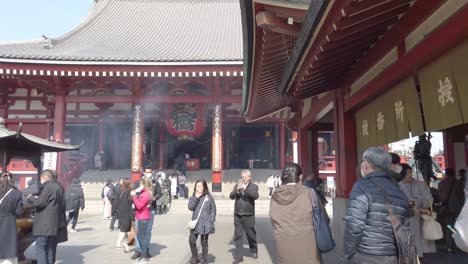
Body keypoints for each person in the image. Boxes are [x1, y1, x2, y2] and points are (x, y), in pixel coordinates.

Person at [344, 147, 411, 264]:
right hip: (394, 256)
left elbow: (354, 225)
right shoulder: (398, 190)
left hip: (368, 255)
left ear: (366, 164)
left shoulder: (362, 186)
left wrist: (350, 252)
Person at [270, 164, 322, 264]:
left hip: (283, 241)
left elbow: (273, 216)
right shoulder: (309, 192)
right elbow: (323, 217)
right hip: (308, 241)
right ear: (301, 176)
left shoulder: (275, 194)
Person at [27, 170, 67, 264]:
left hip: (44, 224)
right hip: (54, 223)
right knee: (49, 248)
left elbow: (40, 203)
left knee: (40, 247)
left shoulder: (48, 186)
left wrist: (30, 198)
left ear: (44, 177)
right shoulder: (59, 186)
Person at [398, 163, 435, 260]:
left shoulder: (421, 185)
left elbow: (429, 201)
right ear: (401, 175)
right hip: (405, 223)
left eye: (410, 172)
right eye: (407, 173)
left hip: (421, 221)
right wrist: (418, 201)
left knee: (421, 250)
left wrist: (415, 201)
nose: (411, 175)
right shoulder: (397, 187)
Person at [229, 169, 259, 264]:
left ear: (249, 177)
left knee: (251, 234)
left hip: (248, 215)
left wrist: (245, 189)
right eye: (242, 177)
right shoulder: (238, 185)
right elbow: (231, 196)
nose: (243, 179)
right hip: (237, 214)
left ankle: (253, 250)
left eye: (245, 177)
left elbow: (255, 196)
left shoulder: (254, 186)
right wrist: (237, 190)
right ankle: (239, 256)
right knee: (238, 235)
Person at [187, 180, 217, 264]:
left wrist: (211, 219)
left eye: (200, 186)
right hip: (195, 223)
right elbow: (190, 207)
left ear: (204, 187)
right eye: (197, 186)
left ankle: (204, 259)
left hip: (205, 223)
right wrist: (196, 197)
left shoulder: (209, 197)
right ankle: (195, 258)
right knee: (192, 240)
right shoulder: (193, 196)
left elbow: (213, 209)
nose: (198, 188)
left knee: (204, 242)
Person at [438, 168, 465, 253]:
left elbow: (440, 197)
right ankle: (460, 244)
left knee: (449, 227)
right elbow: (462, 197)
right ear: (454, 174)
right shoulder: (459, 183)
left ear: (446, 174)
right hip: (458, 210)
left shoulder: (441, 183)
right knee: (459, 227)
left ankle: (450, 246)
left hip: (447, 210)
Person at [0, 172, 24, 264]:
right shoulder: (17, 193)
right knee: (8, 246)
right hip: (9, 222)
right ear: (12, 180)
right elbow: (19, 212)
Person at [131, 177, 153, 264]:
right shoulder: (145, 192)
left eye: (140, 184)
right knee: (140, 237)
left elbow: (139, 206)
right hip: (141, 216)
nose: (139, 185)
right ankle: (142, 257)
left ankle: (143, 258)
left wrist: (134, 197)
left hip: (142, 217)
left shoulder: (146, 194)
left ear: (144, 185)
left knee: (142, 238)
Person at [115, 178, 133, 253]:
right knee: (126, 229)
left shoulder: (119, 190)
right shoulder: (129, 191)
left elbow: (116, 201)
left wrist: (115, 210)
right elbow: (131, 201)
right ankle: (124, 243)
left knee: (125, 229)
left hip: (121, 211)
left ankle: (123, 242)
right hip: (127, 211)